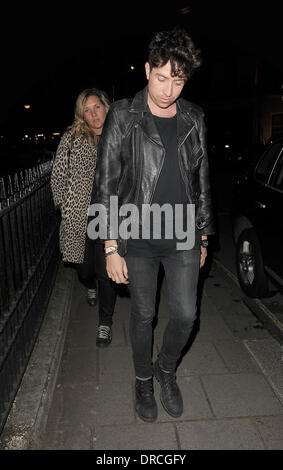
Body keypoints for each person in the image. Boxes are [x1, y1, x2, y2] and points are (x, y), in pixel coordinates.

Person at [91, 29, 215, 420]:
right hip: (136, 233)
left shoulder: (194, 117)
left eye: (178, 80)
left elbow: (202, 180)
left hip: (182, 232)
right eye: (162, 77)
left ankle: (166, 369)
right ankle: (143, 379)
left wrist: (205, 234)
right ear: (147, 70)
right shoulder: (124, 115)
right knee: (144, 314)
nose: (168, 89)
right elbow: (105, 181)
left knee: (185, 315)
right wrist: (110, 246)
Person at [51, 88, 116, 347]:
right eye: (87, 110)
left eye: (96, 107)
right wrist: (63, 207)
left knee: (106, 272)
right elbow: (58, 174)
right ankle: (89, 285)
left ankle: (105, 323)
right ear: (82, 115)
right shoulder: (72, 138)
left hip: (110, 216)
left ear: (105, 106)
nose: (93, 114)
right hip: (79, 217)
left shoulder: (118, 134)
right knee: (84, 270)